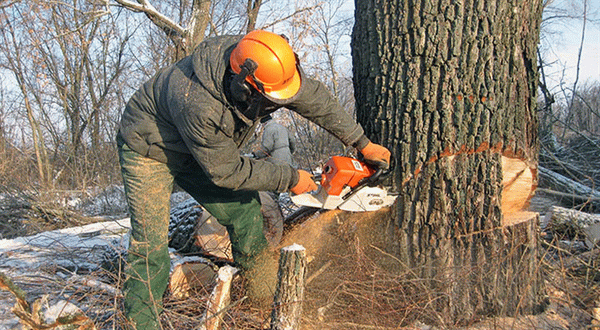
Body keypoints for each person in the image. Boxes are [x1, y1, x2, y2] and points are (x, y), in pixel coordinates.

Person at [116, 29, 391, 329]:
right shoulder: (198, 102)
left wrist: (361, 142)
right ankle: (140, 323)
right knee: (151, 245)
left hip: (203, 147)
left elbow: (313, 98)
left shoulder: (265, 64)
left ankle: (265, 299)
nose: (276, 104)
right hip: (150, 147)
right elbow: (226, 172)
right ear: (245, 84)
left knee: (246, 212)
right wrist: (288, 178)